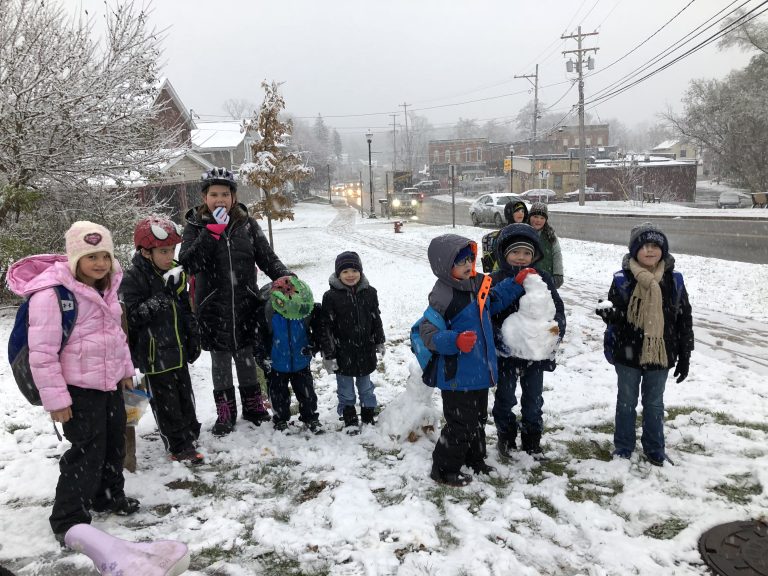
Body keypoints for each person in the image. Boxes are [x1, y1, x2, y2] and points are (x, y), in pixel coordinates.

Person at [6, 221, 140, 545]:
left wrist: (125, 370)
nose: (100, 264)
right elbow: (42, 354)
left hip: (108, 385)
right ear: (74, 258)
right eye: (91, 256)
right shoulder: (52, 295)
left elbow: (116, 337)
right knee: (87, 452)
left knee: (113, 444)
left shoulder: (106, 290)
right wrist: (57, 401)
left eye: (105, 256)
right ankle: (68, 519)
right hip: (76, 390)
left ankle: (107, 496)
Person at [179, 167, 291, 436]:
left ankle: (253, 406)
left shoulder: (247, 225)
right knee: (220, 361)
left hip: (245, 304)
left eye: (225, 194)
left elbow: (266, 257)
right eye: (214, 194)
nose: (220, 199)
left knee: (246, 356)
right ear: (204, 197)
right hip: (212, 307)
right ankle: (225, 411)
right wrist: (212, 232)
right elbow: (189, 263)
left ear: (233, 197)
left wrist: (285, 278)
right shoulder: (195, 227)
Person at [420, 234, 526, 487]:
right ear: (446, 266)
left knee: (477, 421)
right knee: (460, 424)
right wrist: (454, 341)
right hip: (457, 375)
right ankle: (443, 469)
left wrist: (516, 283)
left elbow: (496, 300)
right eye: (461, 262)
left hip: (479, 371)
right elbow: (428, 332)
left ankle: (475, 459)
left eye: (470, 259)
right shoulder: (443, 295)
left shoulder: (478, 285)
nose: (469, 265)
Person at [595, 223, 694, 466]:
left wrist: (685, 353)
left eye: (656, 246)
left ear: (663, 250)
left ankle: (654, 448)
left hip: (661, 353)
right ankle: (623, 447)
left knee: (654, 403)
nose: (650, 251)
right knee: (626, 402)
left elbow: (684, 319)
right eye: (644, 246)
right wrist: (610, 314)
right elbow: (619, 317)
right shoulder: (622, 279)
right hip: (628, 353)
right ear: (634, 250)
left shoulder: (674, 280)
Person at [121, 216, 203, 464]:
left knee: (184, 393)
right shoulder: (133, 278)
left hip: (177, 348)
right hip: (154, 353)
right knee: (166, 401)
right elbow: (132, 316)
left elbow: (185, 309)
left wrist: (192, 337)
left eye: (173, 250)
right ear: (146, 252)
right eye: (164, 251)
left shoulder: (174, 272)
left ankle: (190, 431)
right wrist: (162, 296)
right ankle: (177, 444)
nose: (170, 256)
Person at [490, 223, 566, 457]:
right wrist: (499, 340)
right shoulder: (495, 279)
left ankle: (532, 439)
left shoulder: (541, 278)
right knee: (505, 398)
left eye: (526, 253)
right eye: (515, 252)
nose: (521, 258)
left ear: (534, 255)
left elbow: (557, 310)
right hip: (507, 355)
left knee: (533, 400)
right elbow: (487, 313)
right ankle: (506, 437)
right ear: (504, 253)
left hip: (535, 355)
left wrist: (555, 332)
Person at [320, 251, 386, 432]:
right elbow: (325, 327)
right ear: (338, 274)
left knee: (366, 386)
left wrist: (379, 340)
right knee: (346, 389)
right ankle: (349, 417)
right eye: (345, 271)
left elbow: (375, 318)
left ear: (361, 272)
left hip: (365, 350)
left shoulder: (370, 293)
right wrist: (329, 353)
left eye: (354, 270)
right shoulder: (331, 297)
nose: (350, 275)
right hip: (343, 352)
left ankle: (367, 414)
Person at [254, 276, 324, 434]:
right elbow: (259, 337)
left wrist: (315, 344)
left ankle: (310, 417)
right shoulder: (268, 313)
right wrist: (261, 356)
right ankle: (280, 419)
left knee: (307, 393)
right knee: (278, 394)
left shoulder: (304, 310)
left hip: (301, 360)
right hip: (277, 362)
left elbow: (318, 327)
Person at [480, 200, 529, 273]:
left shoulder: (527, 231)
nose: (521, 213)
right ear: (509, 213)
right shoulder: (504, 233)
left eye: (522, 211)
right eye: (517, 211)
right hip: (505, 274)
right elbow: (499, 256)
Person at [528, 202, 564, 288]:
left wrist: (558, 274)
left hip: (546, 277)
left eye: (542, 218)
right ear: (530, 217)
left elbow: (557, 253)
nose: (538, 220)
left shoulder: (550, 235)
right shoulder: (523, 231)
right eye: (535, 216)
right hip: (526, 277)